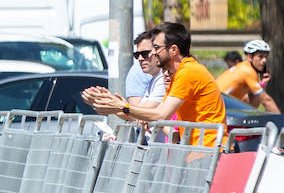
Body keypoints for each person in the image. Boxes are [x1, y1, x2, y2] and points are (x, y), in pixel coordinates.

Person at [83, 21, 227, 146]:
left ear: (174, 50)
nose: (153, 53)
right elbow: (164, 124)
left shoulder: (189, 71)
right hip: (197, 153)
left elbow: (160, 115)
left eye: (157, 48)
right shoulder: (179, 75)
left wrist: (123, 107)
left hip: (208, 151)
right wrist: (114, 106)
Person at [124, 28, 168, 141]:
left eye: (144, 54)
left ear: (157, 51)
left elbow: (141, 113)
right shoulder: (154, 79)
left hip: (165, 152)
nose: (140, 58)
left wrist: (115, 106)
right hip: (155, 149)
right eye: (137, 55)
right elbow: (138, 112)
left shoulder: (164, 78)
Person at [216, 39, 280, 113]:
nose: (264, 60)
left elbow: (252, 107)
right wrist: (282, 121)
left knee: (245, 100)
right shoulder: (248, 71)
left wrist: (262, 84)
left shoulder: (244, 68)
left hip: (221, 107)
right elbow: (266, 101)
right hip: (216, 108)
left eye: (266, 57)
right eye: (260, 56)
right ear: (250, 57)